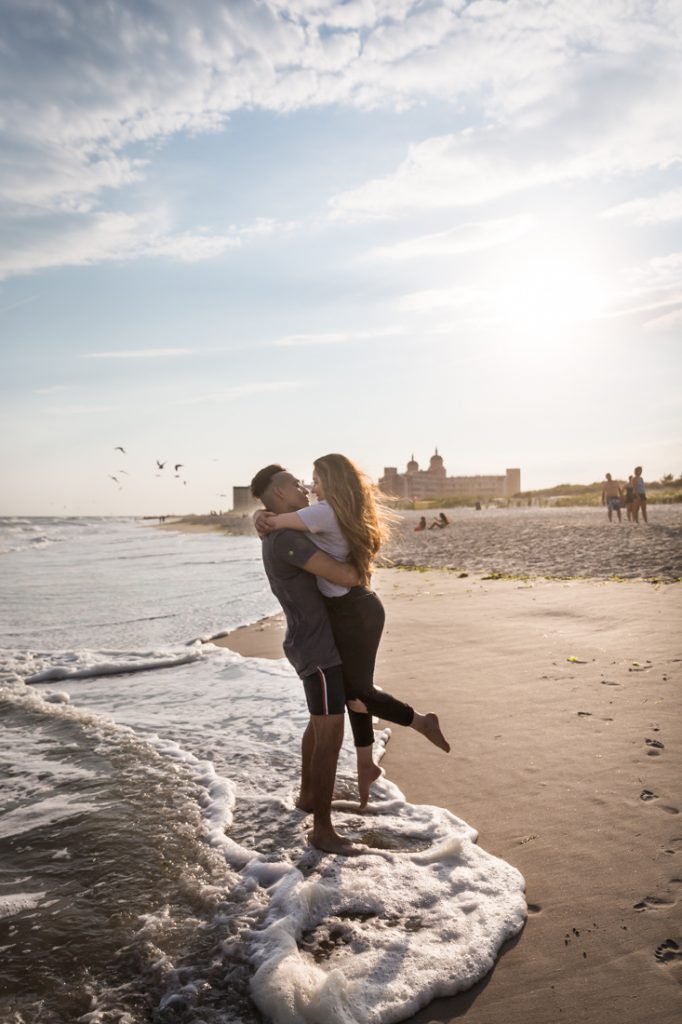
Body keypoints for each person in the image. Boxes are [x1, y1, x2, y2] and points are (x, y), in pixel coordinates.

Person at [256, 453, 451, 804]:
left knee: (357, 693)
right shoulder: (333, 510)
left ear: (330, 482)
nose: (308, 486)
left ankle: (421, 722)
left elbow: (274, 524)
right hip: (352, 608)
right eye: (303, 482)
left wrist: (262, 517)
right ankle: (364, 765)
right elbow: (278, 523)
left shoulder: (321, 512)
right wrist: (263, 515)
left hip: (354, 610)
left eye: (314, 479)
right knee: (352, 693)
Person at [250, 464, 366, 855]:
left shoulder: (282, 531)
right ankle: (323, 830)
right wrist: (361, 564)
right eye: (294, 483)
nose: (303, 486)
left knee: (319, 727)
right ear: (279, 493)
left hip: (311, 642)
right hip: (315, 648)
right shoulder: (285, 539)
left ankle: (306, 796)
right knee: (331, 734)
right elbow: (345, 576)